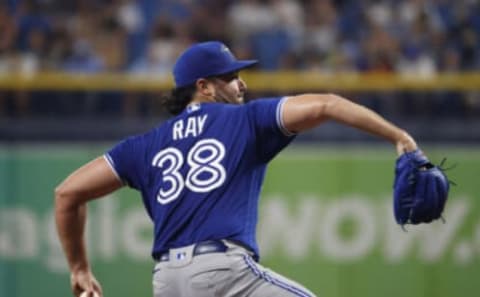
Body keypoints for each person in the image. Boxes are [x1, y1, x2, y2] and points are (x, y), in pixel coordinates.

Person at [55, 41, 418, 297]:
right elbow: (326, 103)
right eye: (230, 76)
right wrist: (398, 136)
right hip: (221, 272)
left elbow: (67, 194)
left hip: (166, 282)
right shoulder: (246, 119)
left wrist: (80, 269)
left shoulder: (145, 144)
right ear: (204, 87)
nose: (241, 82)